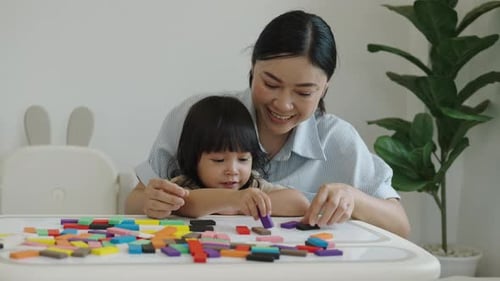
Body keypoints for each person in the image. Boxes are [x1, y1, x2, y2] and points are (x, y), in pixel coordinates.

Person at [125, 10, 410, 238]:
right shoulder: (198, 117)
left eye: (304, 92)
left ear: (324, 89)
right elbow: (134, 202)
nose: (283, 104)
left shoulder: (338, 139)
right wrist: (154, 202)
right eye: (271, 83)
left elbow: (400, 225)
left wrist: (352, 198)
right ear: (252, 68)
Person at [167, 95, 310, 219]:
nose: (233, 170)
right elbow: (185, 204)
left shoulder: (253, 185)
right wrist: (234, 200)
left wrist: (243, 206)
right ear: (193, 159)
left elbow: (300, 203)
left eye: (243, 159)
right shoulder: (184, 184)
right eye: (219, 160)